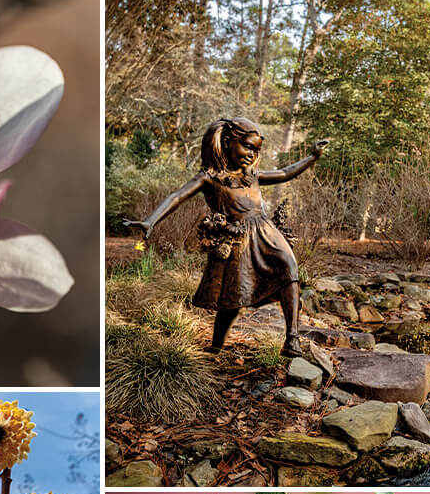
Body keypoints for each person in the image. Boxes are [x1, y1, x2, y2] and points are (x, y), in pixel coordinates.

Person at [128, 118, 328, 356]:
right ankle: (215, 346)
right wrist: (150, 220)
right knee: (231, 297)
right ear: (227, 142)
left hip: (267, 235)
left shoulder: (252, 176)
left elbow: (284, 173)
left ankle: (292, 338)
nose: (251, 154)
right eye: (247, 146)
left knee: (289, 268)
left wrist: (312, 156)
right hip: (236, 241)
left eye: (256, 149)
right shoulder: (210, 178)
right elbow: (176, 196)